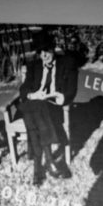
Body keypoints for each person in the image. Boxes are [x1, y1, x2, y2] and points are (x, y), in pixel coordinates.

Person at [17, 31, 77, 186]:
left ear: (53, 48)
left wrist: (61, 96)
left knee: (36, 111)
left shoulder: (67, 63)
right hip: (34, 104)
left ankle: (38, 168)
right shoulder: (33, 66)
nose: (44, 56)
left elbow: (72, 89)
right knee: (36, 106)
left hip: (52, 106)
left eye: (47, 51)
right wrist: (33, 95)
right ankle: (50, 161)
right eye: (40, 52)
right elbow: (23, 90)